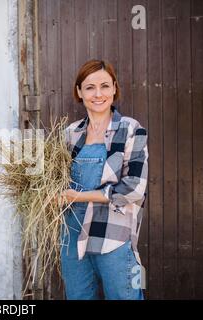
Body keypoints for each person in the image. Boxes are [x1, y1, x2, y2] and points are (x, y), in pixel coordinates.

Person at [59, 59, 148, 300]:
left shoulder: (130, 129)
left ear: (114, 89)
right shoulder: (70, 134)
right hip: (72, 236)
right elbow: (55, 180)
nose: (98, 94)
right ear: (79, 92)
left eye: (105, 86)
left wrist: (76, 196)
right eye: (89, 87)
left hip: (113, 236)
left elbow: (134, 188)